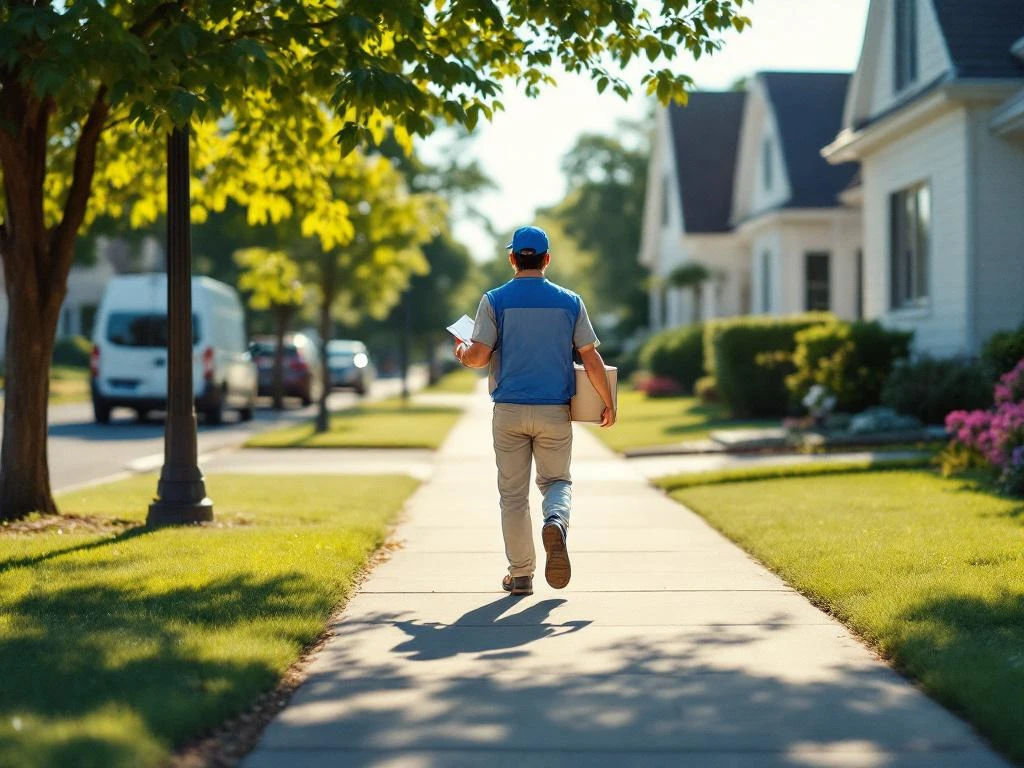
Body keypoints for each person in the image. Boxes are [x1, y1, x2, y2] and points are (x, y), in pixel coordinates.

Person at [454, 225, 616, 596]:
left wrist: (463, 352)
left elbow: (478, 356)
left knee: (512, 496)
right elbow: (589, 357)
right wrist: (607, 401)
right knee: (556, 482)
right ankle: (556, 521)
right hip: (553, 413)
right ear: (547, 259)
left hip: (508, 412)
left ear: (512, 259)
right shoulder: (570, 301)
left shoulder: (494, 300)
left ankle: (521, 575)